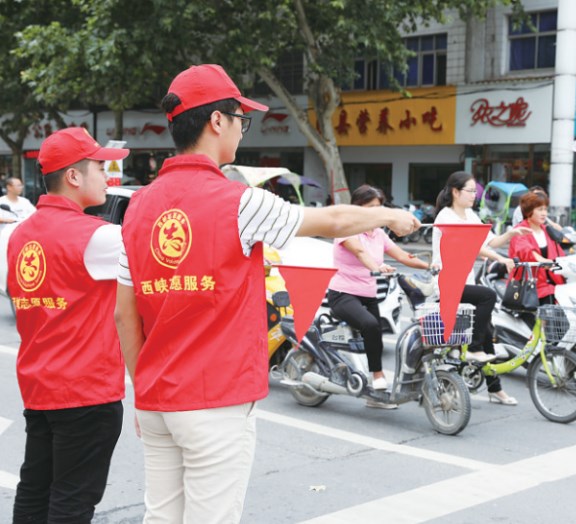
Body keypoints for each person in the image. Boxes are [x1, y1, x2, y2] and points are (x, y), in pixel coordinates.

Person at [113, 64, 419, 523]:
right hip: (214, 402)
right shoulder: (239, 201)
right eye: (241, 118)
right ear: (217, 122)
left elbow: (124, 316)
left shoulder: (136, 209)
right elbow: (331, 222)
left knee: (160, 517)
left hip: (157, 399)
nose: (241, 129)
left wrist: (144, 394)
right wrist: (389, 217)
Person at [9, 128, 129, 523]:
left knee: (35, 490)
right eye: (100, 165)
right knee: (72, 503)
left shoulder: (20, 235)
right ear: (73, 177)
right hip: (86, 392)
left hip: (40, 385)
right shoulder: (98, 237)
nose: (107, 174)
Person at [327, 184, 430, 409]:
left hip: (368, 294)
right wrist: (377, 266)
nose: (377, 211)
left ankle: (373, 394)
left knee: (376, 335)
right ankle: (377, 376)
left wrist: (431, 266)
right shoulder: (347, 229)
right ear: (358, 208)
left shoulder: (378, 233)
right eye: (371, 207)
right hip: (342, 294)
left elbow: (403, 255)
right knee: (370, 324)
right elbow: (360, 252)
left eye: (379, 207)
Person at [433, 171, 530, 406]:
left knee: (487, 331)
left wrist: (510, 233)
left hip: (465, 281)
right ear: (455, 192)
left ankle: (495, 389)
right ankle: (473, 349)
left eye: (475, 192)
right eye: (470, 191)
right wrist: (499, 258)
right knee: (487, 296)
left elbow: (487, 241)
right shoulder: (446, 217)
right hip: (447, 282)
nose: (474, 196)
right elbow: (474, 248)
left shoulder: (470, 216)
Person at [508, 191, 565, 305]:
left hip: (553, 284)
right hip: (531, 286)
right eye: (540, 209)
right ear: (529, 211)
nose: (544, 213)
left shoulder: (547, 230)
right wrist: (546, 262)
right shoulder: (520, 230)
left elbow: (560, 254)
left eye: (545, 209)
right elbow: (527, 253)